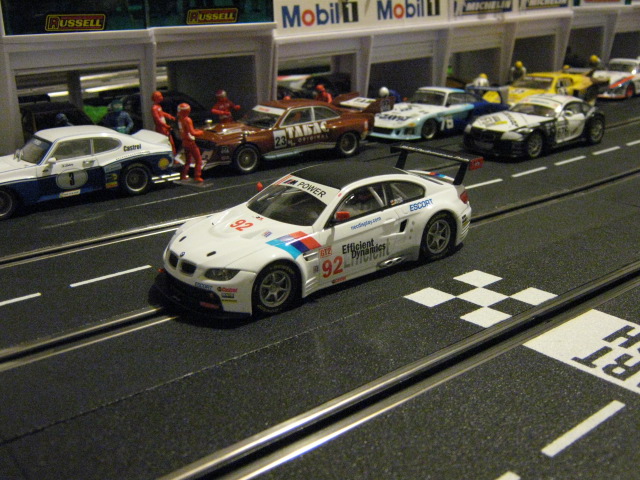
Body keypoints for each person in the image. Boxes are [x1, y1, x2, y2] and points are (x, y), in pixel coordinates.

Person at [177, 103, 204, 182]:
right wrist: (201, 132)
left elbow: (186, 130)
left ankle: (183, 175)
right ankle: (197, 176)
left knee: (188, 160)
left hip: (184, 141)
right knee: (198, 159)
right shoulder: (187, 119)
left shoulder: (180, 119)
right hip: (190, 142)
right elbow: (192, 133)